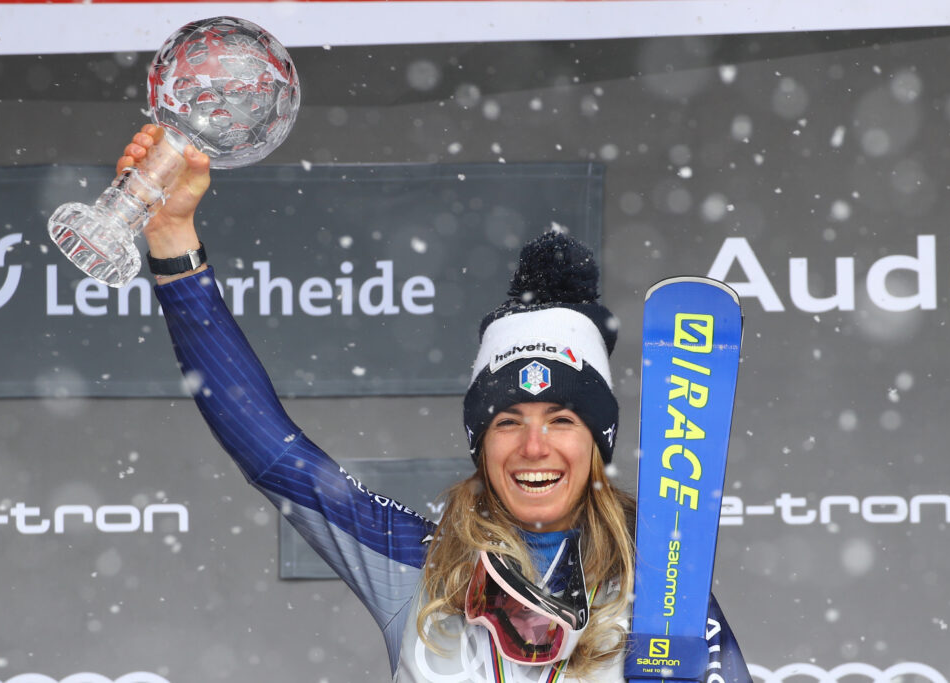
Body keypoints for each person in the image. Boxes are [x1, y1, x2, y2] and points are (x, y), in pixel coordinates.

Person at [121, 123, 753, 682]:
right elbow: (271, 450)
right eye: (509, 422)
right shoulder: (417, 568)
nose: (535, 447)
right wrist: (173, 237)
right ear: (482, 446)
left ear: (596, 442)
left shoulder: (665, 586)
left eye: (561, 420)